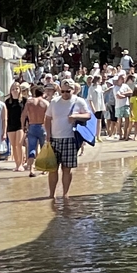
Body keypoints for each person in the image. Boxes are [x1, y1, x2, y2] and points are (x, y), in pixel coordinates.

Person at [45, 78, 93, 206]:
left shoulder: (79, 101)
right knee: (52, 169)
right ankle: (51, 194)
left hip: (70, 139)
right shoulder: (54, 102)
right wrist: (48, 134)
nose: (65, 94)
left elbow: (88, 115)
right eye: (63, 91)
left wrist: (76, 116)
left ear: (73, 90)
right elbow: (48, 118)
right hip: (54, 139)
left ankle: (65, 194)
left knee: (67, 169)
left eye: (68, 91)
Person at [23, 83, 49, 166]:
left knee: (31, 149)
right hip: (42, 126)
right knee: (43, 149)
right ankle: (44, 169)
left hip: (32, 126)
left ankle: (31, 169)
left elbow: (23, 115)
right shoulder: (45, 103)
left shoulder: (29, 102)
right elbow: (48, 117)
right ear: (43, 93)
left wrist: (22, 126)